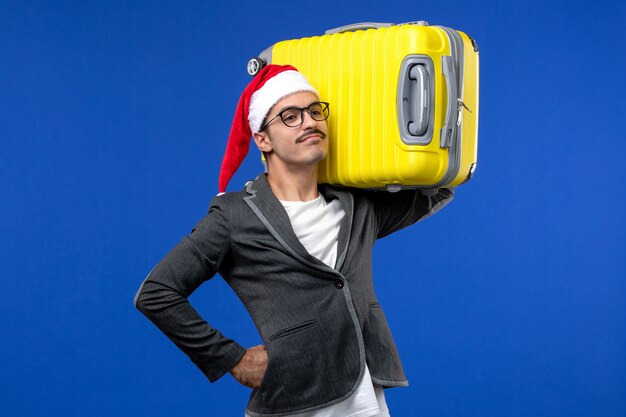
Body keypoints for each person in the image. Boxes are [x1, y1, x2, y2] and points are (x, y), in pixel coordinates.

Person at [135, 64, 454, 417]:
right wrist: (233, 359)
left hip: (368, 402)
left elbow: (435, 187)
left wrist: (437, 105)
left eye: (316, 111)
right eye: (290, 116)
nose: (309, 121)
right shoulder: (234, 215)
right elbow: (156, 293)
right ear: (262, 139)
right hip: (293, 403)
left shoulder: (358, 205)